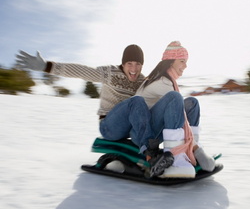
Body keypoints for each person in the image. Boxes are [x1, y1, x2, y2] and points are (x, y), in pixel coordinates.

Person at [15, 45, 171, 172]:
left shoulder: (142, 81)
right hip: (109, 127)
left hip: (129, 130)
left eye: (138, 64)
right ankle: (151, 155)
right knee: (136, 101)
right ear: (123, 64)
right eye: (129, 63)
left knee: (149, 105)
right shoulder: (109, 73)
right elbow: (81, 71)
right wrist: (46, 66)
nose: (134, 68)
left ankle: (171, 150)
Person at [135, 41, 216, 178]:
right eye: (182, 61)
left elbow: (180, 113)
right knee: (175, 98)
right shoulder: (162, 81)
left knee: (192, 103)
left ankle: (189, 150)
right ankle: (176, 155)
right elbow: (178, 114)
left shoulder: (167, 79)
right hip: (146, 134)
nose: (185, 65)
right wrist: (197, 150)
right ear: (171, 61)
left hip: (156, 127)